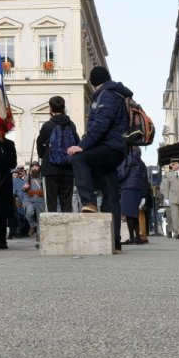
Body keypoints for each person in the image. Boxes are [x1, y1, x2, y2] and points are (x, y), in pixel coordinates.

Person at [67, 66, 132, 252]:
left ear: (94, 83)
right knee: (110, 191)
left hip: (110, 146)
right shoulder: (117, 94)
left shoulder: (107, 95)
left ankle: (89, 202)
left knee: (79, 159)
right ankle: (115, 241)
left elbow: (101, 124)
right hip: (116, 148)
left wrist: (82, 146)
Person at [35, 95, 79, 213]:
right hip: (68, 169)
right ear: (64, 108)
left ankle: (52, 230)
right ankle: (66, 231)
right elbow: (77, 143)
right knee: (67, 204)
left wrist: (43, 155)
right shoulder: (71, 125)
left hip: (50, 168)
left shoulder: (47, 126)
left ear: (51, 109)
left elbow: (39, 144)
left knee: (51, 203)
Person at [118, 147, 148, 245]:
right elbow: (145, 180)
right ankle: (137, 238)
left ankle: (132, 238)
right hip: (138, 190)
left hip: (128, 188)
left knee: (128, 214)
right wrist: (144, 194)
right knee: (134, 214)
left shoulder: (128, 159)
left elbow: (122, 173)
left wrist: (116, 179)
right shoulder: (142, 163)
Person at [161, 159, 179, 239]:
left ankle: (178, 230)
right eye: (171, 164)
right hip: (172, 199)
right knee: (174, 216)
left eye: (173, 164)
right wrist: (166, 198)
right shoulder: (168, 175)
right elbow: (166, 187)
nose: (172, 165)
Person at [22, 163, 45, 239]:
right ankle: (33, 225)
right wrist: (24, 187)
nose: (35, 168)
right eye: (33, 167)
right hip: (30, 200)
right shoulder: (27, 177)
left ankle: (39, 235)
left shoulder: (42, 177)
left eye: (36, 166)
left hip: (40, 199)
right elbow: (23, 189)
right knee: (29, 213)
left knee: (40, 218)